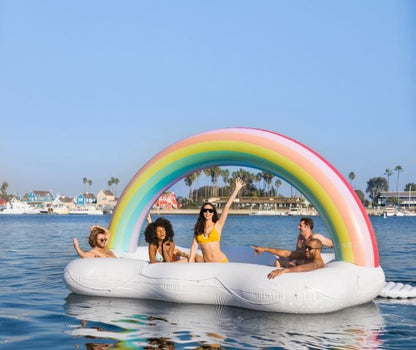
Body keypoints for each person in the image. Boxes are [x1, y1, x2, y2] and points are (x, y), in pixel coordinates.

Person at [188, 177, 245, 263]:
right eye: (205, 210)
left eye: (210, 210)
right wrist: (190, 262)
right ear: (202, 212)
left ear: (213, 213)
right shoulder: (198, 228)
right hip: (208, 265)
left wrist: (236, 189)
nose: (207, 212)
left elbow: (227, 206)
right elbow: (194, 247)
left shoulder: (218, 225)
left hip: (222, 263)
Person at [252, 238, 324, 279]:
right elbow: (286, 253)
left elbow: (309, 267)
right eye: (306, 247)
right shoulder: (307, 255)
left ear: (318, 250)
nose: (306, 250)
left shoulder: (318, 262)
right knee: (279, 261)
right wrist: (265, 249)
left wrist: (285, 270)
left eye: (310, 248)